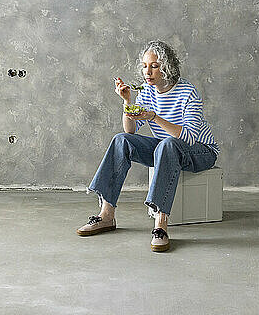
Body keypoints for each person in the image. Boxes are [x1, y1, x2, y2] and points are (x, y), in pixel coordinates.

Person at [76, 41, 219, 252]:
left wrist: (154, 117)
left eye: (154, 65)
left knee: (168, 144)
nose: (147, 72)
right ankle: (106, 215)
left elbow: (188, 137)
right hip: (167, 149)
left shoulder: (188, 92)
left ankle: (160, 224)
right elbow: (130, 131)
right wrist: (127, 103)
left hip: (201, 151)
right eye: (144, 66)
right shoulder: (147, 91)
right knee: (121, 140)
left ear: (167, 67)